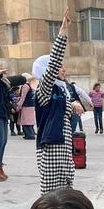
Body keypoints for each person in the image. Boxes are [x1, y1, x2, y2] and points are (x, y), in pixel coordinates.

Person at [34, 11, 80, 194]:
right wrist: (63, 31)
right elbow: (54, 62)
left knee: (67, 190)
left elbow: (62, 110)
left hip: (64, 146)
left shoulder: (62, 89)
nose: (64, 68)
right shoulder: (44, 89)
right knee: (51, 195)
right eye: (61, 66)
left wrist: (73, 104)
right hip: (51, 147)